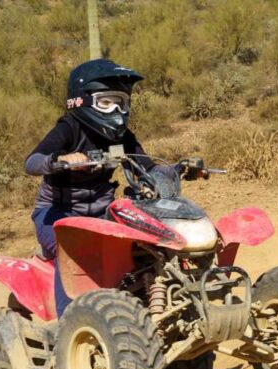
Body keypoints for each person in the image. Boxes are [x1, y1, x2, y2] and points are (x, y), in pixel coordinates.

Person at [24, 59, 175, 317]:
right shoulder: (69, 128)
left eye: (122, 103)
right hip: (57, 214)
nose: (117, 110)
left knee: (143, 245)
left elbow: (147, 167)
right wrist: (60, 160)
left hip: (103, 213)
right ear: (82, 101)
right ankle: (71, 321)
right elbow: (31, 162)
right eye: (107, 102)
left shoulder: (122, 136)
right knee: (72, 251)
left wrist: (176, 170)